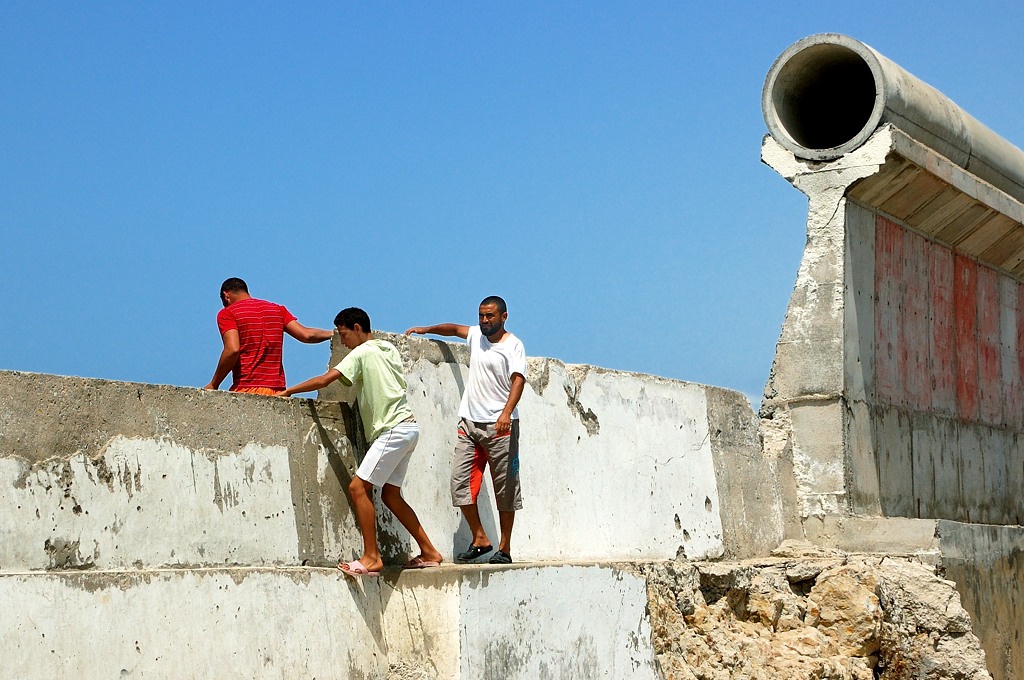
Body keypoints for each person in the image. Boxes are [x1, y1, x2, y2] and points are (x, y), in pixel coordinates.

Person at [276, 307, 443, 577]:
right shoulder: (387, 348)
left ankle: (371, 557)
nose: (342, 342)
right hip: (409, 427)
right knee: (390, 495)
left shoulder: (361, 352)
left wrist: (289, 390)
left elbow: (325, 380)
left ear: (356, 328)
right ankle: (429, 552)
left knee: (357, 488)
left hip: (392, 430)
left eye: (343, 335)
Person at [405, 295, 526, 565]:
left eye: (490, 316)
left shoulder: (513, 345)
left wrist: (506, 413)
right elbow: (453, 329)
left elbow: (518, 380)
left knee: (504, 489)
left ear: (503, 317)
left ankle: (504, 549)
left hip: (500, 425)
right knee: (460, 484)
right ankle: (480, 538)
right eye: (481, 315)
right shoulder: (475, 336)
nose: (484, 321)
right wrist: (426, 330)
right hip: (469, 423)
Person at [204, 278, 332, 395]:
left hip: (247, 388)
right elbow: (307, 335)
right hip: (278, 392)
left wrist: (214, 384)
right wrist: (334, 334)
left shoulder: (228, 313)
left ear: (226, 295)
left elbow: (232, 349)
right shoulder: (277, 309)